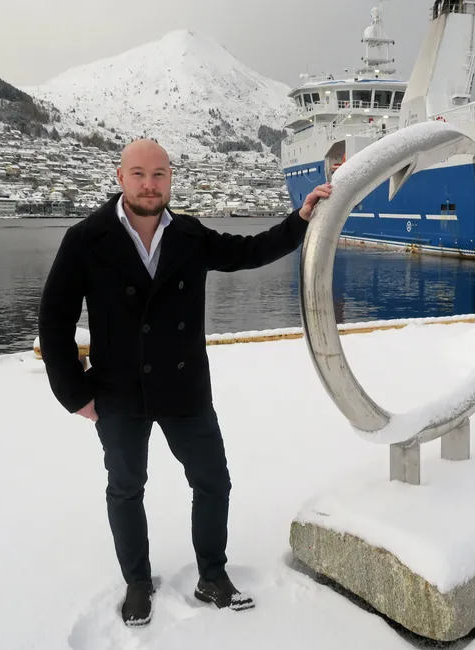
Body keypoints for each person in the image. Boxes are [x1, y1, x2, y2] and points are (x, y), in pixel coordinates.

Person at [37, 139, 331, 626]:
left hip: (184, 389)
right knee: (127, 488)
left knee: (213, 482)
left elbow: (250, 251)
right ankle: (137, 582)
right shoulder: (86, 238)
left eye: (158, 175)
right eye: (138, 174)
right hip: (118, 391)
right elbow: (54, 318)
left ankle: (212, 575)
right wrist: (76, 393)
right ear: (120, 178)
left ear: (170, 179)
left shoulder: (189, 237)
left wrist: (299, 221)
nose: (149, 185)